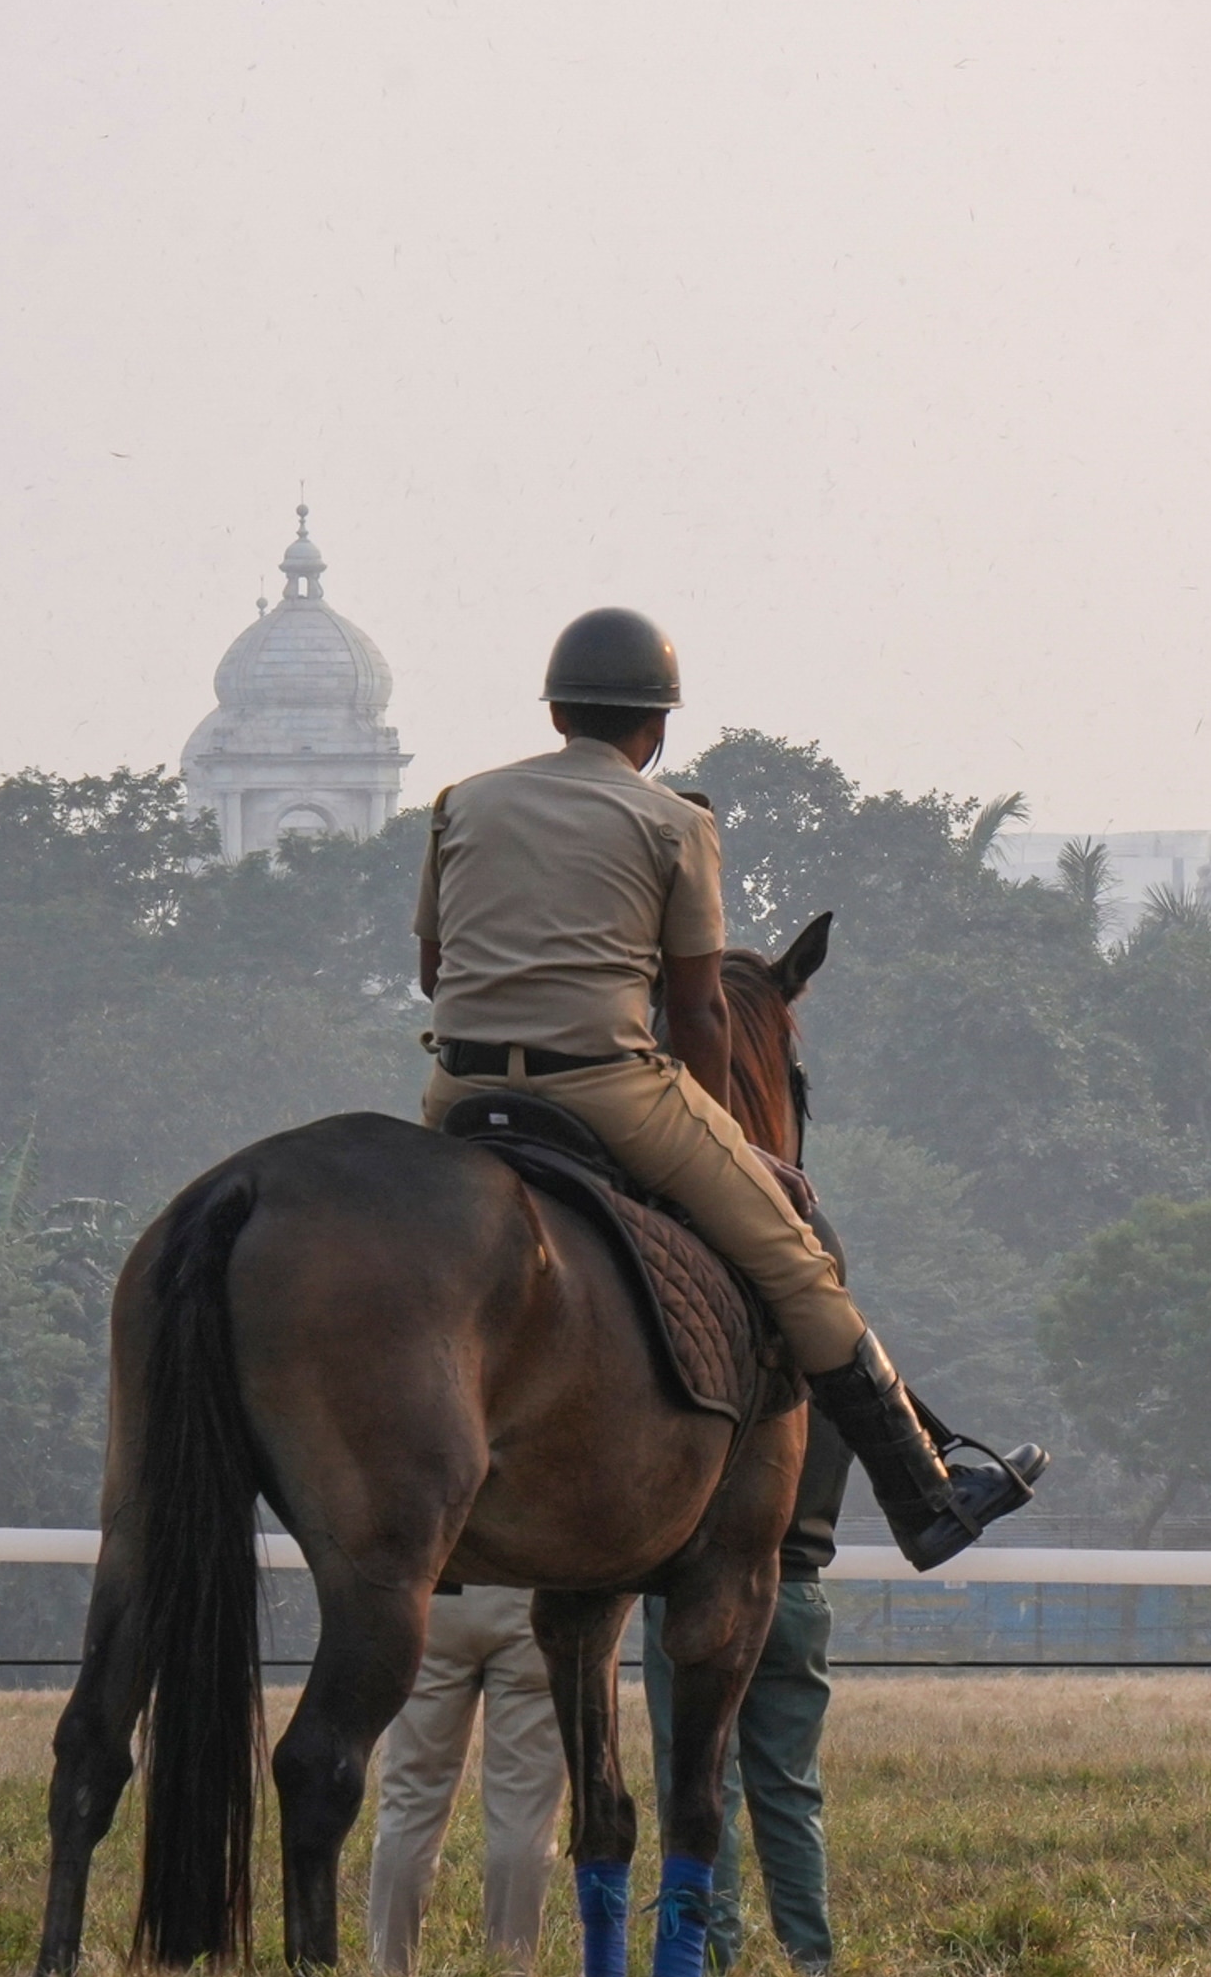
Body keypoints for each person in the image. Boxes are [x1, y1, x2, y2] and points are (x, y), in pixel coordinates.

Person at [415, 606, 1044, 1567]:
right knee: (798, 1259)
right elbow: (701, 1009)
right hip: (604, 1089)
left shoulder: (462, 802)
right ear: (656, 728)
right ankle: (926, 1493)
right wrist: (732, 1138)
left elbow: (433, 971)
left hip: (456, 1093)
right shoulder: (675, 822)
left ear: (555, 713)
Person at [640, 1424, 849, 1977]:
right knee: (791, 1789)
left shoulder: (705, 1378)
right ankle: (811, 1968)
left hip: (696, 1587)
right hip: (797, 1587)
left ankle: (706, 1964)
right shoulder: (837, 1378)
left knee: (697, 1779)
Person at [365, 1585, 563, 1977]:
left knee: (410, 1797)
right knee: (524, 1806)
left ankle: (387, 1974)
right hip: (529, 1596)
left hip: (437, 1593)